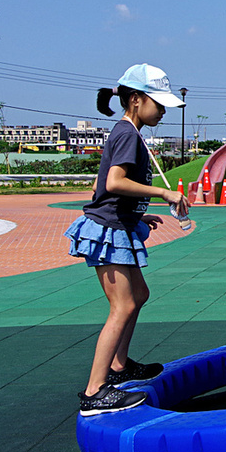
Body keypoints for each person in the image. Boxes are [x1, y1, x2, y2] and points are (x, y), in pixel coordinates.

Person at [65, 64, 189, 416]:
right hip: (107, 232)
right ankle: (94, 391)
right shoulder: (126, 135)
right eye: (158, 104)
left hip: (118, 225)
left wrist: (136, 214)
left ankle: (119, 367)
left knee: (139, 296)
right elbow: (113, 183)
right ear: (136, 100)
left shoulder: (129, 133)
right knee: (121, 306)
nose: (163, 111)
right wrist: (162, 193)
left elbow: (99, 185)